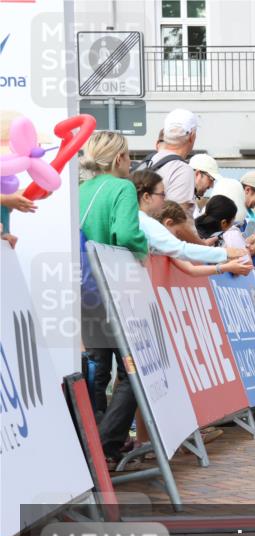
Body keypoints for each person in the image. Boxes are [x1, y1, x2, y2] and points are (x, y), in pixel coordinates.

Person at [78, 131, 148, 460]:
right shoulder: (122, 188)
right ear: (119, 158)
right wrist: (144, 250)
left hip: (82, 287)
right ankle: (105, 442)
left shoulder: (79, 191)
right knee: (133, 369)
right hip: (114, 287)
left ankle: (91, 440)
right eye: (129, 155)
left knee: (96, 368)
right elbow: (127, 232)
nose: (131, 161)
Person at [131, 170, 245, 266]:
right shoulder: (146, 222)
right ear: (146, 197)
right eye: (162, 194)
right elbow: (181, 249)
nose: (164, 199)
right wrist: (224, 253)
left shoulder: (134, 219)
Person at [154, 200, 250, 276]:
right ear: (169, 223)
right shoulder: (163, 243)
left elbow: (191, 268)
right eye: (178, 232)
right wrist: (226, 266)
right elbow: (191, 270)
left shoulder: (164, 243)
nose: (179, 237)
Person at [144, 109, 199, 218]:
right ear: (192, 136)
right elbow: (177, 221)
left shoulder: (149, 161)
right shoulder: (181, 169)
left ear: (164, 134)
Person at [189, 153, 221, 219]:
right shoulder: (180, 199)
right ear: (197, 174)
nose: (212, 186)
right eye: (211, 179)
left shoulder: (189, 199)